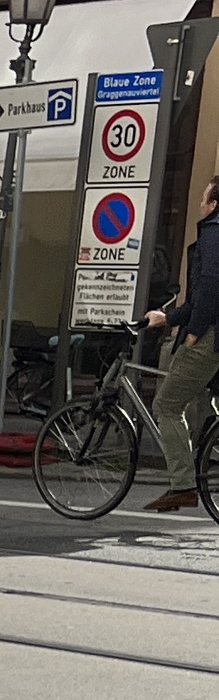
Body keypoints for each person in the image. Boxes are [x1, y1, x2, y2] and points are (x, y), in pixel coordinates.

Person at [144, 177, 219, 510]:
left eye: (204, 198)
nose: (200, 205)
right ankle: (195, 472)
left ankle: (183, 485)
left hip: (210, 335)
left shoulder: (214, 231)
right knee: (205, 406)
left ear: (214, 204)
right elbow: (197, 297)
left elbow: (211, 284)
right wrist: (167, 318)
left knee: (167, 406)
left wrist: (194, 330)